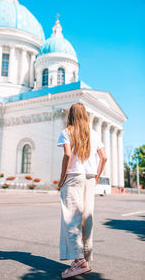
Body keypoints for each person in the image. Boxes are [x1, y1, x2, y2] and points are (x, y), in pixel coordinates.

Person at [57, 102, 107, 279]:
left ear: (71, 114)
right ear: (85, 115)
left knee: (71, 218)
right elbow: (104, 157)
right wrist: (97, 176)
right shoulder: (93, 134)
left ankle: (79, 262)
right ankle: (84, 257)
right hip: (89, 177)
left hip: (73, 177)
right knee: (87, 218)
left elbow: (68, 155)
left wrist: (62, 178)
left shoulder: (67, 131)